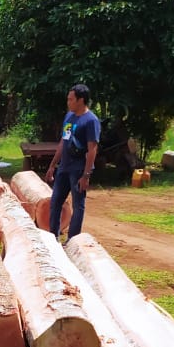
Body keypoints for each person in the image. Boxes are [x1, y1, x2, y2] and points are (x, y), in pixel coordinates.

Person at [44, 83, 100, 241]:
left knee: (78, 206)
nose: (68, 102)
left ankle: (72, 241)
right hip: (64, 167)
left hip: (79, 169)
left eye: (71, 99)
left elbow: (92, 149)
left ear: (81, 100)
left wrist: (86, 175)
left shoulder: (91, 121)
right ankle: (53, 238)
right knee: (55, 202)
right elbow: (64, 141)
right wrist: (53, 165)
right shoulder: (69, 117)